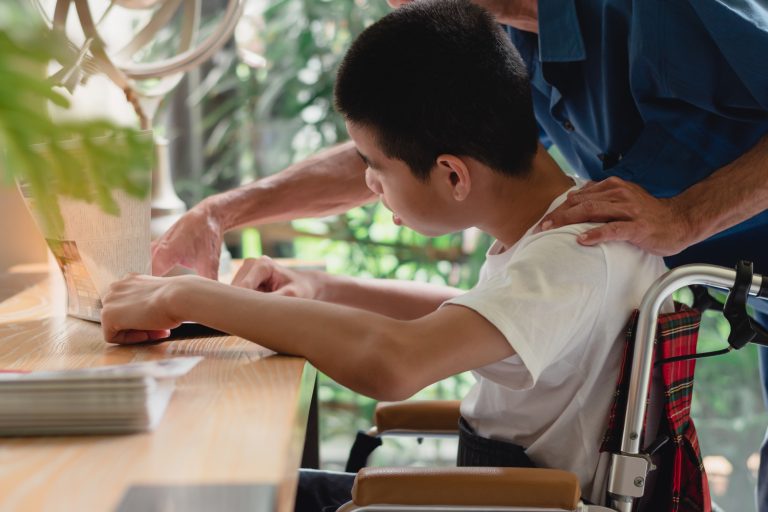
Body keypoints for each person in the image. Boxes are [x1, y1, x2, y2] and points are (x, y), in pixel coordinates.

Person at [151, 1, 768, 508]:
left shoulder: (581, 244)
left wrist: (185, 295)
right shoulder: (560, 215)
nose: (397, 7)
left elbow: (396, 363)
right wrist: (310, 278)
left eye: (377, 172)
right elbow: (484, 300)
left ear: (453, 174)